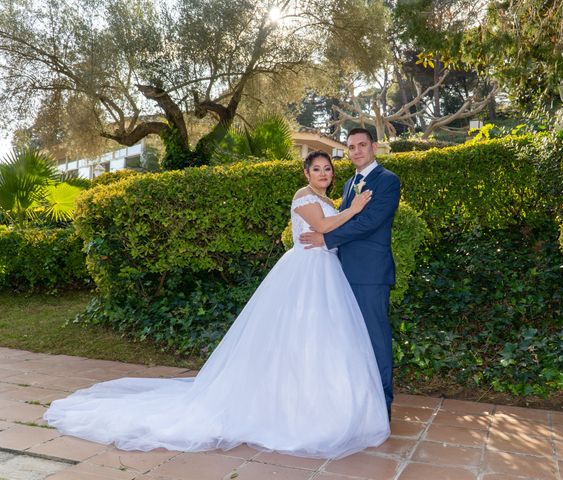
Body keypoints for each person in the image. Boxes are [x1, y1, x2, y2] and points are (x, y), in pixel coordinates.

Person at [43, 151, 390, 459]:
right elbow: (324, 225)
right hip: (306, 273)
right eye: (317, 169)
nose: (324, 173)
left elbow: (330, 229)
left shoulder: (327, 197)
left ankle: (324, 406)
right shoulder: (304, 196)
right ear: (306, 173)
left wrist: (346, 213)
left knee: (322, 342)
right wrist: (356, 209)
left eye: (328, 168)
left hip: (327, 273)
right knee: (295, 338)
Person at [300, 128, 401, 420]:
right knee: (351, 340)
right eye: (351, 146)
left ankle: (382, 405)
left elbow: (369, 222)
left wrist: (326, 240)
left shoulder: (387, 181)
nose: (356, 150)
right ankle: (359, 401)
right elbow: (339, 219)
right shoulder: (348, 185)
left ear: (374, 147)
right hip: (342, 272)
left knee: (375, 338)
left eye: (362, 145)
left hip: (370, 274)